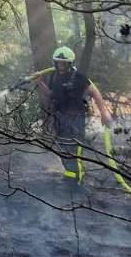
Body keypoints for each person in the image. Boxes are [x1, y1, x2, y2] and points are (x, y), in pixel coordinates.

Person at [17, 46, 113, 184]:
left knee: (75, 149)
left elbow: (95, 93)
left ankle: (78, 180)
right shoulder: (54, 76)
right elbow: (51, 94)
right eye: (58, 62)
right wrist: (39, 83)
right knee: (62, 148)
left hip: (76, 119)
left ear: (70, 63)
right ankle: (70, 176)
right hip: (60, 117)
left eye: (64, 63)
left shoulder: (79, 77)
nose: (61, 65)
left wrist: (104, 113)